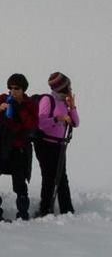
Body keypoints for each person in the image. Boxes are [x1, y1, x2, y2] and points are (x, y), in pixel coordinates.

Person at [0, 73, 38, 220]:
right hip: (0, 146)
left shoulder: (29, 104)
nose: (13, 91)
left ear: (23, 89)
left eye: (16, 88)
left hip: (18, 148)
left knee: (19, 182)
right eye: (10, 88)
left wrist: (20, 108)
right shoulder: (4, 98)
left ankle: (23, 213)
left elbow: (32, 124)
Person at [33, 72, 79, 216]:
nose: (70, 88)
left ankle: (67, 210)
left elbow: (76, 123)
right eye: (68, 86)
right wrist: (58, 119)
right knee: (49, 177)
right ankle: (45, 209)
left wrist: (72, 107)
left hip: (59, 145)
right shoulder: (48, 100)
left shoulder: (65, 102)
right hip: (45, 144)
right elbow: (40, 123)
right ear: (62, 87)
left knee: (61, 177)